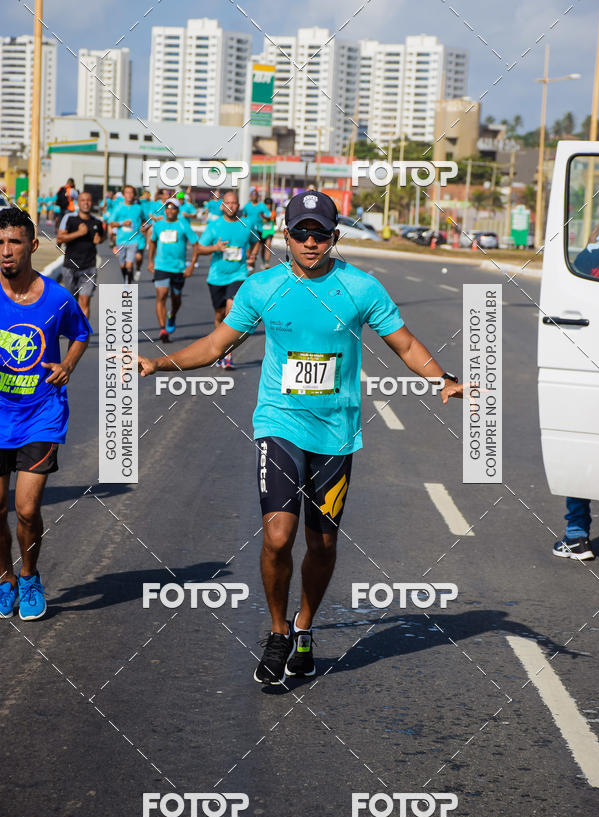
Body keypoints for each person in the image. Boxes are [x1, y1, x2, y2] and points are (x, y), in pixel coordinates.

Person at [138, 190, 463, 685]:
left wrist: (441, 378)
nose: (311, 242)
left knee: (323, 542)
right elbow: (214, 343)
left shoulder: (360, 288)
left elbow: (405, 342)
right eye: (301, 233)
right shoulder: (262, 287)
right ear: (284, 235)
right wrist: (157, 363)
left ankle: (305, 627)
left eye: (321, 234)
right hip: (279, 422)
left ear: (334, 238)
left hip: (336, 433)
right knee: (277, 536)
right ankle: (276, 631)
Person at [0, 208, 91, 621]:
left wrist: (68, 365)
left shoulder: (56, 297)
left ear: (33, 247)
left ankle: (30, 575)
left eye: (14, 242)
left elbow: (81, 333)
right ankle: (4, 579)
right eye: (0, 243)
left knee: (26, 508)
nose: (6, 251)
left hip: (41, 413)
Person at [195, 190, 254, 369]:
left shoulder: (246, 224)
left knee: (231, 309)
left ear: (239, 205)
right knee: (219, 315)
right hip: (217, 277)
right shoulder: (214, 226)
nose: (231, 206)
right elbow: (199, 248)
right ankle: (219, 347)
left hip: (239, 274)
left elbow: (256, 240)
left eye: (235, 203)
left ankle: (227, 353)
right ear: (222, 206)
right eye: (228, 202)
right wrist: (216, 247)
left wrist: (253, 255)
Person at [147, 198, 200, 343]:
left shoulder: (183, 225)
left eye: (173, 208)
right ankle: (163, 329)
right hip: (161, 266)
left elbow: (196, 244)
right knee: (162, 295)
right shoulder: (158, 225)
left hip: (178, 268)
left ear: (178, 210)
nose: (170, 210)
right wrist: (150, 261)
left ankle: (172, 315)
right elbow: (152, 242)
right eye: (167, 207)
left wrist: (191, 265)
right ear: (164, 210)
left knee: (176, 299)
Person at [57, 191, 106, 319]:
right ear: (78, 203)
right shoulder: (70, 219)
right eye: (83, 200)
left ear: (92, 203)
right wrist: (79, 233)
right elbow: (60, 238)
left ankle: (83, 336)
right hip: (70, 267)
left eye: (88, 200)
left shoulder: (97, 222)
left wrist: (99, 239)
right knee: (71, 302)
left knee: (85, 302)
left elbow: (103, 236)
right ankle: (72, 332)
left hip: (89, 267)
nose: (86, 203)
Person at [108, 185, 145, 284]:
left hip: (134, 240)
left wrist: (144, 227)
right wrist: (121, 223)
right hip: (121, 240)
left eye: (131, 192)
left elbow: (145, 220)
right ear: (123, 194)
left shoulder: (138, 208)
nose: (129, 195)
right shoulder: (118, 208)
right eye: (127, 192)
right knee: (122, 265)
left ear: (135, 195)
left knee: (129, 265)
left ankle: (127, 284)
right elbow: (111, 223)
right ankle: (128, 278)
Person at [242, 189, 270, 268]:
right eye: (253, 195)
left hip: (260, 230)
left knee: (260, 248)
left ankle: (261, 261)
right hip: (249, 230)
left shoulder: (261, 206)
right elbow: (243, 216)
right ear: (250, 196)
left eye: (255, 195)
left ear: (258, 196)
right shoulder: (247, 206)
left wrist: (264, 216)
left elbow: (268, 215)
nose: (254, 196)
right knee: (250, 247)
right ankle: (251, 263)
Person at [256, 197, 276, 269]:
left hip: (270, 231)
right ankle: (263, 261)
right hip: (262, 232)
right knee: (262, 248)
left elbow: (270, 218)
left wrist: (263, 216)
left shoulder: (273, 212)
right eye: (267, 204)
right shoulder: (261, 212)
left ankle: (267, 263)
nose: (268, 206)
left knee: (268, 246)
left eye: (270, 204)